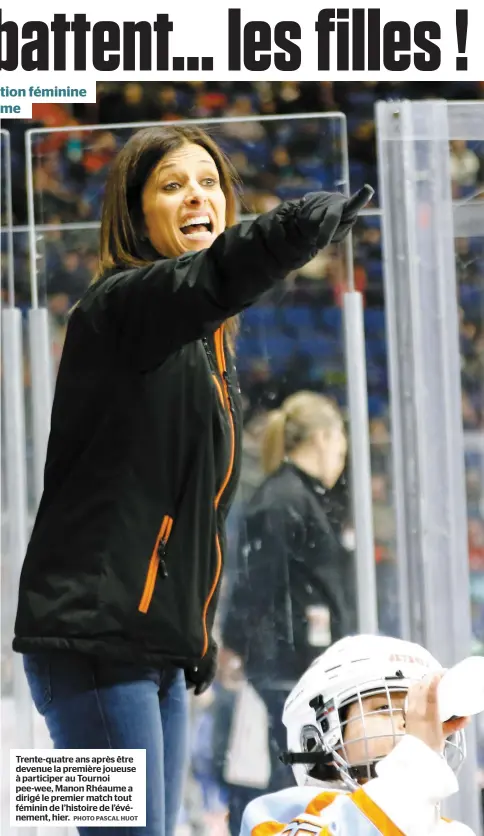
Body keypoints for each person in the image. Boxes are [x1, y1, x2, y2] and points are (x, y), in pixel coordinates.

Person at [12, 124, 368, 836]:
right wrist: (289, 230)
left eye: (209, 183)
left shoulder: (202, 343)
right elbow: (205, 278)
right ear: (134, 213)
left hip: (156, 649)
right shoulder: (120, 308)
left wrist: (193, 638)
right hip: (92, 650)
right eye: (173, 185)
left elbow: (190, 517)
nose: (197, 196)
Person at [221, 391, 356, 833]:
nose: (343, 454)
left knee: (309, 779)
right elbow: (256, 584)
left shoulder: (307, 498)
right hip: (288, 668)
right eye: (340, 442)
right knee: (300, 780)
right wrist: (238, 643)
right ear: (321, 437)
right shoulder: (282, 500)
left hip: (303, 667)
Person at [240, 633, 474, 835]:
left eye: (416, 711)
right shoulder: (277, 817)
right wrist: (414, 768)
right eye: (383, 708)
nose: (409, 722)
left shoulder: (452, 832)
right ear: (318, 740)